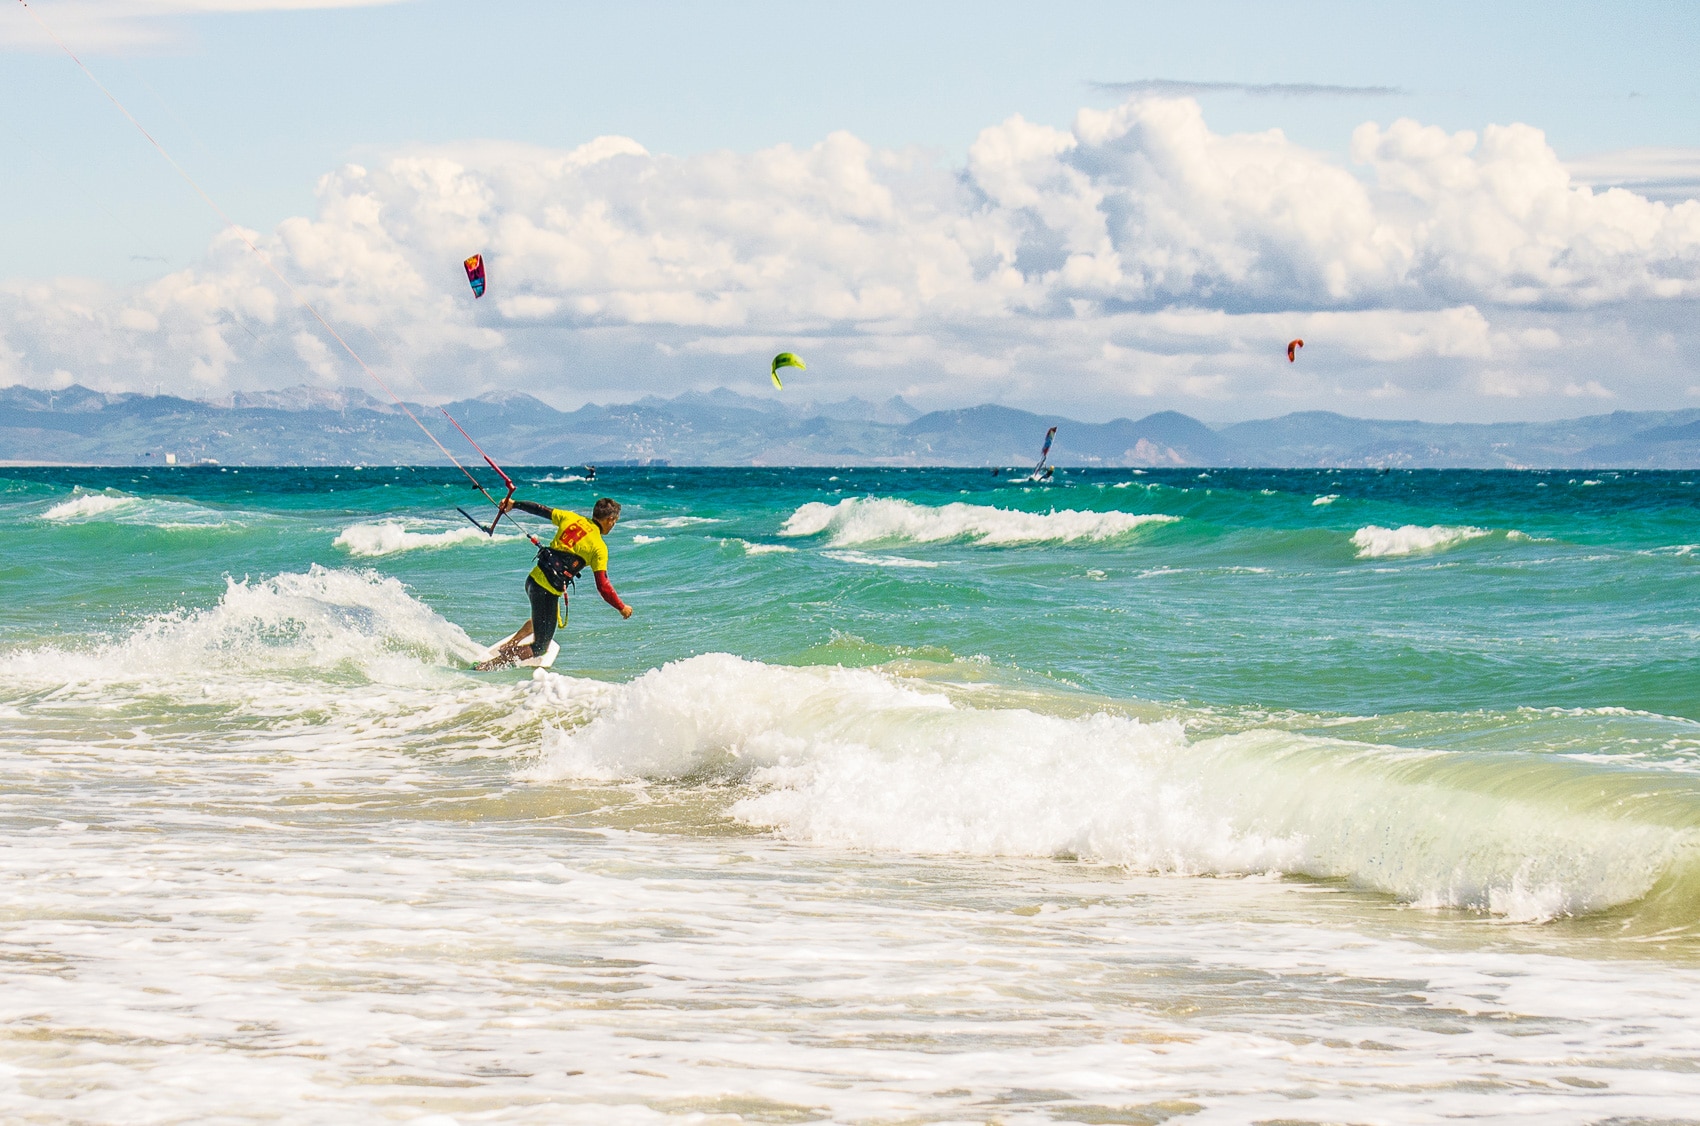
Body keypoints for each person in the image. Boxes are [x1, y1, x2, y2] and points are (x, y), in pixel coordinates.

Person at [478, 495, 632, 670]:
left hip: (533, 581)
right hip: (546, 591)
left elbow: (540, 509)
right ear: (610, 520)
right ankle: (489, 665)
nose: (613, 525)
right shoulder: (599, 547)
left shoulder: (572, 518)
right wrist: (621, 607)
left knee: (542, 616)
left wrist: (514, 504)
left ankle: (510, 645)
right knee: (540, 647)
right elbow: (603, 586)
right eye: (615, 521)